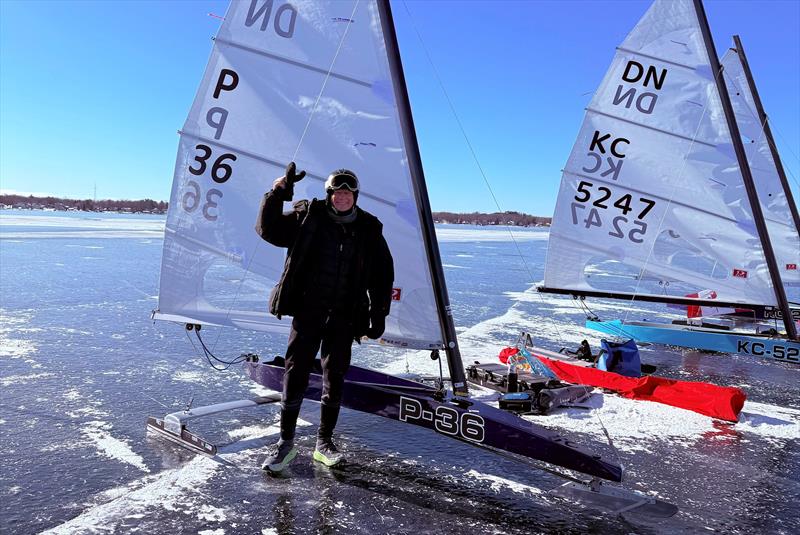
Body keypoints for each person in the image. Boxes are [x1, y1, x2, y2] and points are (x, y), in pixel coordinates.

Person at [255, 162, 394, 473]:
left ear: (355, 196)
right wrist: (278, 192)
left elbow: (382, 275)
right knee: (296, 373)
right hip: (308, 311)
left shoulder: (369, 229)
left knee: (335, 376)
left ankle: (324, 442)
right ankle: (285, 443)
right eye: (336, 192)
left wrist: (379, 313)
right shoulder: (308, 217)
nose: (342, 197)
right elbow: (268, 229)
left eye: (348, 193)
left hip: (345, 315)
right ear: (329, 194)